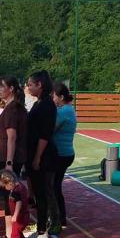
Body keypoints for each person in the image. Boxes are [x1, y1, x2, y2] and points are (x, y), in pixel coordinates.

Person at [24, 70, 60, 238]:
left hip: (44, 156)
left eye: (31, 84)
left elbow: (44, 135)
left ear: (40, 85)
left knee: (42, 192)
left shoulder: (47, 105)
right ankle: (41, 226)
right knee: (38, 192)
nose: (28, 87)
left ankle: (42, 231)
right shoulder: (39, 102)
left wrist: (37, 157)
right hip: (35, 153)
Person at [51, 83, 77, 230]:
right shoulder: (67, 109)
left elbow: (51, 127)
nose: (53, 99)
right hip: (65, 153)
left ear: (61, 97)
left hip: (61, 154)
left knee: (54, 187)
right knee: (55, 186)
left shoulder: (64, 111)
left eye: (54, 96)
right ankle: (60, 218)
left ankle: (59, 219)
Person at [0, 75, 27, 179]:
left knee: (8, 188)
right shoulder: (12, 107)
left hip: (9, 159)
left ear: (11, 88)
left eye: (2, 86)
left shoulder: (12, 109)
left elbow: (12, 137)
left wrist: (9, 163)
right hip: (9, 158)